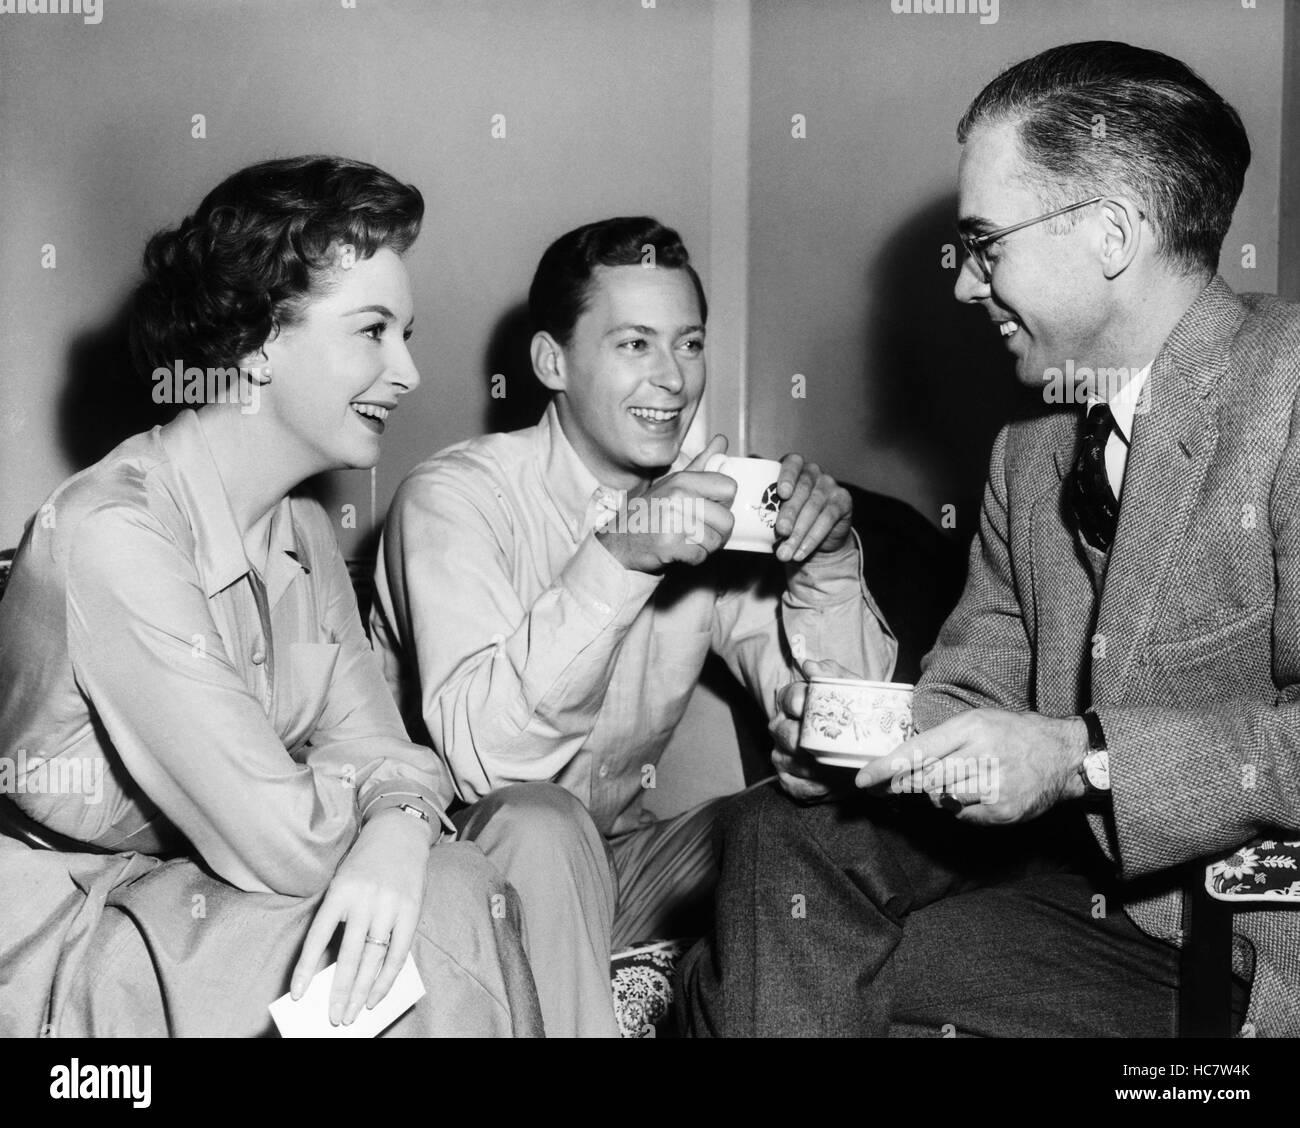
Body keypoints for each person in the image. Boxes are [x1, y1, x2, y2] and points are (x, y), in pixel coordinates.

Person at [680, 41, 1300, 1038]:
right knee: (773, 845)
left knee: (755, 978)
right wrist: (851, 738)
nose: (966, 287)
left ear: (1109, 233)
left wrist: (1077, 760)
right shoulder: (1029, 454)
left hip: (1253, 949)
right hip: (1090, 905)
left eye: (985, 245)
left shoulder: (1290, 395)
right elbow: (971, 688)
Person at [0, 155, 542, 1037]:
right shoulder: (112, 531)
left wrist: (398, 823)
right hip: (71, 932)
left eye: (406, 333)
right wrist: (384, 815)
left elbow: (384, 750)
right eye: (372, 331)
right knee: (439, 907)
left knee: (448, 888)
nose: (407, 373)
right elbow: (284, 839)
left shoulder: (303, 534)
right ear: (256, 343)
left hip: (207, 891)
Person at [369, 216, 897, 1036]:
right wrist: (623, 554)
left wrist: (824, 564)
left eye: (688, 345)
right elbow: (488, 763)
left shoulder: (710, 501)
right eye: (634, 344)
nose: (674, 380)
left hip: (622, 859)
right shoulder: (454, 499)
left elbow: (846, 737)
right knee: (544, 823)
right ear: (553, 362)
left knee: (806, 827)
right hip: (462, 853)